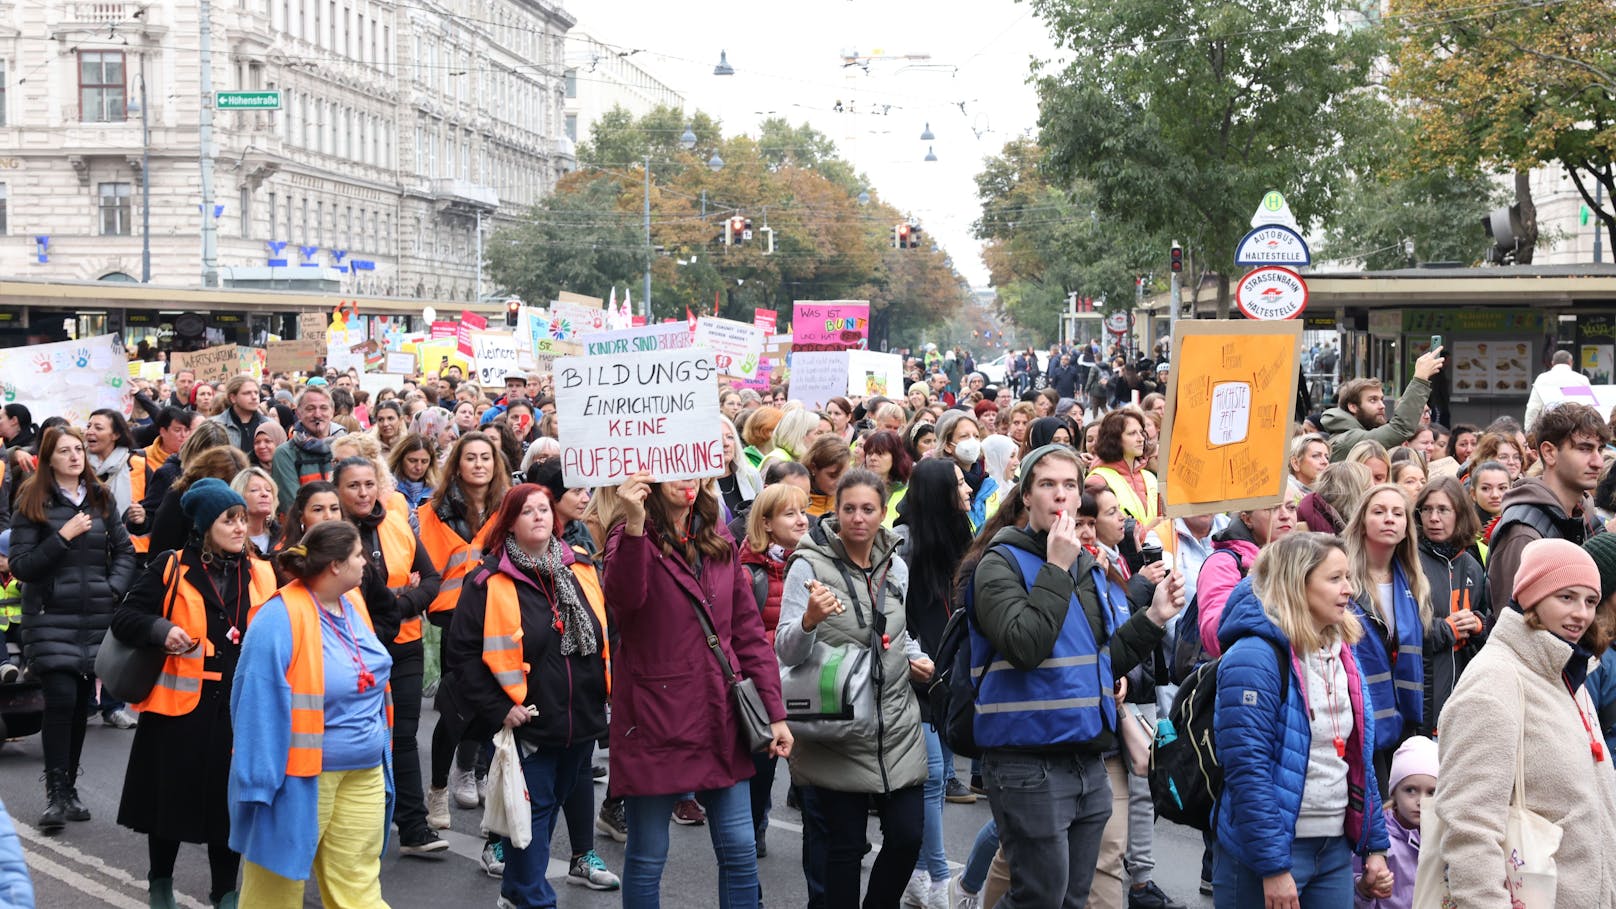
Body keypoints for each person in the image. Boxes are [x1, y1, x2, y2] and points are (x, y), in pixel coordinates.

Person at [967, 445, 1185, 908]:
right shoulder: (999, 562)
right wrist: (1057, 567)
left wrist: (1155, 617)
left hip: (1088, 756)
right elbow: (1025, 645)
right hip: (1026, 757)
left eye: (1070, 485)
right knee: (1039, 897)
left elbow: (1102, 660)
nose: (1061, 496)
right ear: (1026, 496)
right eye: (1048, 485)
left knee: (1072, 899)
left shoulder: (1087, 564)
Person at [603, 470, 792, 907]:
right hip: (653, 719)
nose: (686, 481)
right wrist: (633, 526)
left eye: (693, 471)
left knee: (741, 851)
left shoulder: (718, 539)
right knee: (649, 855)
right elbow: (624, 602)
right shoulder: (629, 536)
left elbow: (746, 634)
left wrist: (775, 713)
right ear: (649, 481)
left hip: (718, 712)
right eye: (673, 472)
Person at [441, 484, 611, 907]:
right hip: (529, 720)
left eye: (544, 509)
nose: (539, 516)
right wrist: (501, 708)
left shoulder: (582, 568)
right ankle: (534, 898)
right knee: (533, 812)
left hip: (582, 717)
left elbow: (607, 638)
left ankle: (516, 892)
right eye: (527, 511)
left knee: (547, 807)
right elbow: (461, 653)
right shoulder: (487, 579)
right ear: (509, 522)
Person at [111, 479, 277, 909]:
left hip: (236, 709)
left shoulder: (260, 570)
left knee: (230, 807)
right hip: (177, 711)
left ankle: (225, 890)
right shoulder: (171, 566)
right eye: (229, 520)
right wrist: (160, 630)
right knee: (168, 806)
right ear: (205, 526)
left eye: (243, 518)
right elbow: (126, 617)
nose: (241, 528)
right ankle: (160, 884)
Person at [1433, 538, 1616, 907]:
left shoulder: (1568, 673)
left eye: (1590, 601)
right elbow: (1469, 829)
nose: (1581, 613)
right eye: (1566, 597)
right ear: (1532, 597)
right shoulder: (1494, 681)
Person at [1212, 533, 1392, 908]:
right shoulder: (1254, 656)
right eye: (1335, 578)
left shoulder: (1342, 652)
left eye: (1348, 577)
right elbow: (1247, 769)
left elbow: (1358, 756)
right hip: (1268, 854)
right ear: (1298, 582)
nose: (1349, 589)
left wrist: (1374, 845)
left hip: (1333, 849)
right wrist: (1273, 867)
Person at [778, 469, 930, 908]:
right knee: (843, 850)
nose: (858, 518)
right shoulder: (808, 564)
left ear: (883, 513)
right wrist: (808, 620)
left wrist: (915, 656)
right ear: (835, 511)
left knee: (907, 837)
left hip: (896, 723)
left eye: (868, 509)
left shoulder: (897, 564)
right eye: (849, 509)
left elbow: (898, 631)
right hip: (837, 725)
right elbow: (785, 649)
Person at [230, 521, 395, 907]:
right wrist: (256, 785)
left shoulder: (353, 602)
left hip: (365, 768)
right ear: (335, 565)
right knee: (275, 890)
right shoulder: (279, 616)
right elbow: (255, 702)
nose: (366, 564)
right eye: (359, 555)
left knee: (358, 886)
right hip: (300, 778)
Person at [6, 424, 137, 830]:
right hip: (48, 617)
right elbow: (23, 565)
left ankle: (70, 790)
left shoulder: (99, 497)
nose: (75, 457)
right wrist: (62, 536)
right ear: (49, 459)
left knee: (81, 702)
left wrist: (111, 588)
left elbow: (125, 551)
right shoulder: (33, 500)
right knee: (60, 698)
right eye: (64, 451)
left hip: (94, 618)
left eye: (78, 449)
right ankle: (56, 793)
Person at [332, 455, 445, 858]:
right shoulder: (332, 534)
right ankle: (353, 827)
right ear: (338, 490)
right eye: (353, 486)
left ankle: (413, 827)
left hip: (404, 645)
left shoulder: (396, 523)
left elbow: (432, 579)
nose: (363, 493)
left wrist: (400, 604)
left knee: (403, 735)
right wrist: (390, 604)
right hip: (349, 651)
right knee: (356, 739)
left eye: (368, 484)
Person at [893, 459, 977, 901]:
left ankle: (920, 877)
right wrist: (911, 655)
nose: (967, 491)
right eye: (959, 484)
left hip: (947, 676)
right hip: (914, 675)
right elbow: (893, 611)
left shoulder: (964, 538)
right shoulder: (903, 542)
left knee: (940, 777)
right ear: (937, 492)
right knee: (931, 776)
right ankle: (940, 878)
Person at [420, 432, 509, 838]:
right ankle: (438, 787)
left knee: (489, 706)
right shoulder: (434, 510)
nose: (478, 464)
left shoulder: (509, 508)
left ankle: (468, 769)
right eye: (470, 457)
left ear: (496, 464)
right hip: (453, 618)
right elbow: (426, 568)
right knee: (456, 709)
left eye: (485, 458)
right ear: (457, 464)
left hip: (497, 616)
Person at [737, 483, 811, 857]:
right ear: (765, 523)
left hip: (806, 681)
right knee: (762, 767)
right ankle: (754, 824)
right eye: (790, 513)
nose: (802, 520)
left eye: (804, 510)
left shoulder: (815, 562)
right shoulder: (749, 573)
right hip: (767, 685)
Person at [1343, 485, 1431, 777]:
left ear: (1407, 527)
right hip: (1356, 715)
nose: (1389, 519)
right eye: (1378, 512)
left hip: (1404, 716)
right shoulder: (1342, 577)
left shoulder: (1414, 581)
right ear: (1362, 523)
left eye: (1397, 513)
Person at [1487, 403, 1609, 610]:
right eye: (1584, 449)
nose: (1598, 462)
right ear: (1549, 452)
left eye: (1600, 449)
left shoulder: (1585, 515)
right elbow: (1513, 628)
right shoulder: (1523, 533)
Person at [1413, 475, 1489, 737]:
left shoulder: (1471, 565)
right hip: (1423, 699)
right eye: (1427, 509)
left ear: (1460, 514)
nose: (1434, 518)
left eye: (1443, 510)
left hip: (1463, 704)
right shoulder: (1409, 561)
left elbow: (1489, 624)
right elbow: (1399, 631)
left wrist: (1479, 625)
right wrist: (1446, 630)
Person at [1196, 481, 1303, 658]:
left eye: (1291, 508)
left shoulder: (1301, 559)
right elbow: (1214, 636)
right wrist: (1253, 584)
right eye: (1272, 508)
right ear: (1247, 518)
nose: (1285, 516)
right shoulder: (1223, 563)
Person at [1320, 350, 1444, 461]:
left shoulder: (1361, 431)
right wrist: (1420, 379)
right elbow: (1400, 428)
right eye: (1373, 400)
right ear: (1353, 407)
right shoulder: (1348, 440)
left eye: (1382, 399)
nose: (1382, 406)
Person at [271, 386, 347, 516]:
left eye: (323, 408)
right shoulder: (285, 453)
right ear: (299, 413)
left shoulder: (347, 449)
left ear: (332, 411)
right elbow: (292, 505)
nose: (317, 414)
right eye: (310, 409)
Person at [1525, 349, 1593, 429]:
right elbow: (1590, 407)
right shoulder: (1582, 380)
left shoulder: (1542, 379)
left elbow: (1534, 408)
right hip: (1576, 428)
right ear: (1571, 362)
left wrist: (1528, 429)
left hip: (1549, 428)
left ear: (1552, 363)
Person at [1299, 461, 1372, 535]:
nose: (1376, 494)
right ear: (1353, 495)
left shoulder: (1324, 523)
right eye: (1369, 490)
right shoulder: (1306, 533)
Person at [716, 418, 763, 525]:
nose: (725, 443)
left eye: (730, 437)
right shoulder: (699, 484)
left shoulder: (751, 475)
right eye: (717, 438)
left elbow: (762, 515)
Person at [211, 376, 268, 457]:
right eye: (247, 393)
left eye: (256, 392)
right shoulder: (214, 426)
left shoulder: (269, 424)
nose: (254, 397)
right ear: (233, 398)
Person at [230, 467, 280, 555]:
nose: (264, 494)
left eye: (268, 490)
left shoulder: (283, 537)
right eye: (254, 490)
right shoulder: (229, 539)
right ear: (239, 496)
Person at [801, 434, 851, 519]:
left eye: (844, 476)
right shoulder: (797, 505)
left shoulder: (848, 502)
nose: (839, 482)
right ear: (813, 468)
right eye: (833, 476)